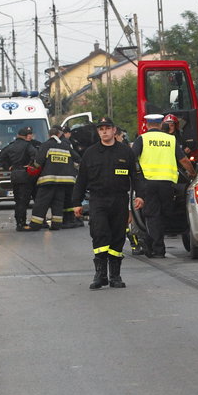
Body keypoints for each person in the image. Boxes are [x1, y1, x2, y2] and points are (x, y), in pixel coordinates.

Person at [72, 116, 145, 290]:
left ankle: (115, 276)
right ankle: (100, 275)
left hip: (119, 200)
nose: (104, 131)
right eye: (101, 129)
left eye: (107, 128)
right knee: (99, 234)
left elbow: (136, 176)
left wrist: (140, 195)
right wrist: (77, 202)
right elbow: (81, 179)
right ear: (98, 132)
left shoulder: (125, 152)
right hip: (98, 200)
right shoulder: (90, 153)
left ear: (114, 131)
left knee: (117, 237)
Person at [132, 113, 195, 258]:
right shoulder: (171, 139)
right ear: (161, 124)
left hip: (148, 183)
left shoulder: (142, 139)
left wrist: (134, 175)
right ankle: (157, 245)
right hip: (167, 184)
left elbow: (131, 157)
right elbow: (184, 160)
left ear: (147, 125)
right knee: (165, 213)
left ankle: (155, 246)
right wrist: (192, 173)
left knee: (152, 216)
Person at [29, 127, 78, 231]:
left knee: (41, 202)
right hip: (65, 181)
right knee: (58, 202)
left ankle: (35, 224)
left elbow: (38, 162)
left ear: (49, 135)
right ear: (60, 134)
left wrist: (32, 167)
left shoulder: (46, 145)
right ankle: (56, 224)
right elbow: (77, 160)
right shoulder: (66, 146)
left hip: (48, 180)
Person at [0, 126, 38, 231]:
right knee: (24, 201)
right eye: (29, 135)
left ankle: (19, 222)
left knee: (18, 200)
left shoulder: (10, 146)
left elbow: (1, 157)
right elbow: (35, 155)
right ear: (25, 136)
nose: (30, 136)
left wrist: (8, 167)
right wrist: (30, 165)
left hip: (15, 174)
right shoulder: (28, 146)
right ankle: (22, 223)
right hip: (25, 175)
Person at [59, 126, 83, 228]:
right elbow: (75, 157)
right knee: (69, 198)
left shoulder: (57, 143)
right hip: (69, 174)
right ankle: (71, 219)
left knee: (63, 199)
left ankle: (66, 219)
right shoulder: (67, 143)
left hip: (59, 175)